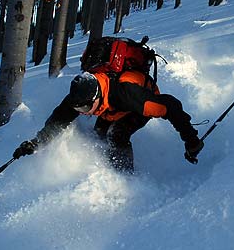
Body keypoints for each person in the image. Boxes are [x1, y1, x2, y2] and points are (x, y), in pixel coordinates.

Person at [13, 70, 204, 173]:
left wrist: (191, 141)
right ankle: (109, 170)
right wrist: (36, 143)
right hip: (111, 108)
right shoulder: (79, 97)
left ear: (97, 97)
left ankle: (127, 180)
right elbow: (57, 121)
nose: (83, 113)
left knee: (116, 135)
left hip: (138, 102)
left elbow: (170, 106)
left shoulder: (127, 95)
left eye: (85, 109)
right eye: (78, 109)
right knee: (99, 136)